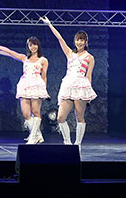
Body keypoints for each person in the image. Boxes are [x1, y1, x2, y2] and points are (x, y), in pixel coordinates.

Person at [40, 16, 96, 146]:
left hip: (81, 86)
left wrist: (88, 94)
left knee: (79, 117)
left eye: (82, 40)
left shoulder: (90, 57)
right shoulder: (70, 53)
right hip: (68, 85)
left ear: (86, 42)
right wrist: (49, 24)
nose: (79, 42)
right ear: (75, 41)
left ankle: (77, 144)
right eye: (77, 40)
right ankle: (67, 143)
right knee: (60, 117)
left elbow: (89, 76)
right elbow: (60, 38)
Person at [0, 36, 48, 144]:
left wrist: (44, 90)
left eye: (35, 44)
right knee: (26, 114)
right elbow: (10, 52)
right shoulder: (24, 58)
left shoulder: (43, 60)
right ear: (28, 47)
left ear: (38, 45)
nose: (33, 47)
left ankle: (33, 137)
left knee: (36, 112)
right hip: (25, 85)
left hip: (37, 86)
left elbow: (44, 76)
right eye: (30, 45)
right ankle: (38, 135)